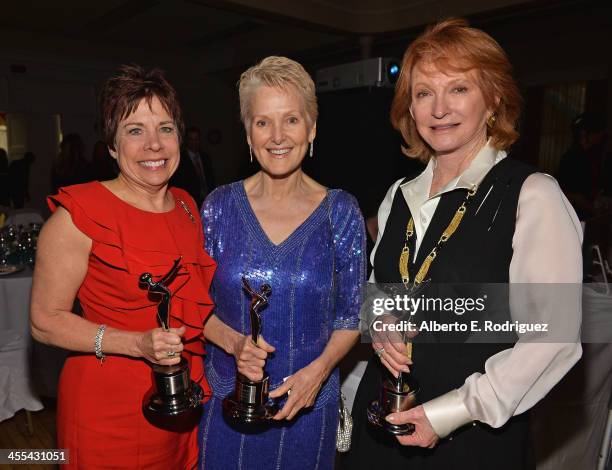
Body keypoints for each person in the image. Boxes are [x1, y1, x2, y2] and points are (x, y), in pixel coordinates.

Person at [343, 18, 583, 470]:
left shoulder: (532, 195)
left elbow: (553, 337)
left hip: (469, 446)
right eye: (423, 93)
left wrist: (449, 413)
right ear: (409, 110)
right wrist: (379, 321)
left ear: (493, 99)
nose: (439, 109)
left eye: (458, 89)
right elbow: (376, 288)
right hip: (379, 435)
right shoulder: (398, 195)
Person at [30, 65, 216, 469]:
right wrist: (136, 344)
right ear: (112, 146)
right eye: (135, 130)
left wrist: (236, 342)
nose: (154, 144)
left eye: (165, 128)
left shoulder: (187, 206)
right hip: (108, 406)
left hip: (182, 399)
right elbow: (44, 321)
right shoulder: (78, 214)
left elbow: (193, 305)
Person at [198, 56, 366, 469]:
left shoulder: (340, 211)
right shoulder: (218, 207)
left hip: (309, 408)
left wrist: (321, 371)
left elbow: (351, 316)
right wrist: (234, 343)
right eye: (262, 122)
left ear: (312, 128)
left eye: (291, 120)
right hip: (227, 405)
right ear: (248, 134)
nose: (277, 136)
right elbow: (193, 308)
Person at [170, 125, 215, 208]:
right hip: (189, 203)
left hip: (208, 201)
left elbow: (211, 179)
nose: (194, 142)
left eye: (196, 139)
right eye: (191, 139)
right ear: (187, 140)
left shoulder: (205, 157)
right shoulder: (180, 160)